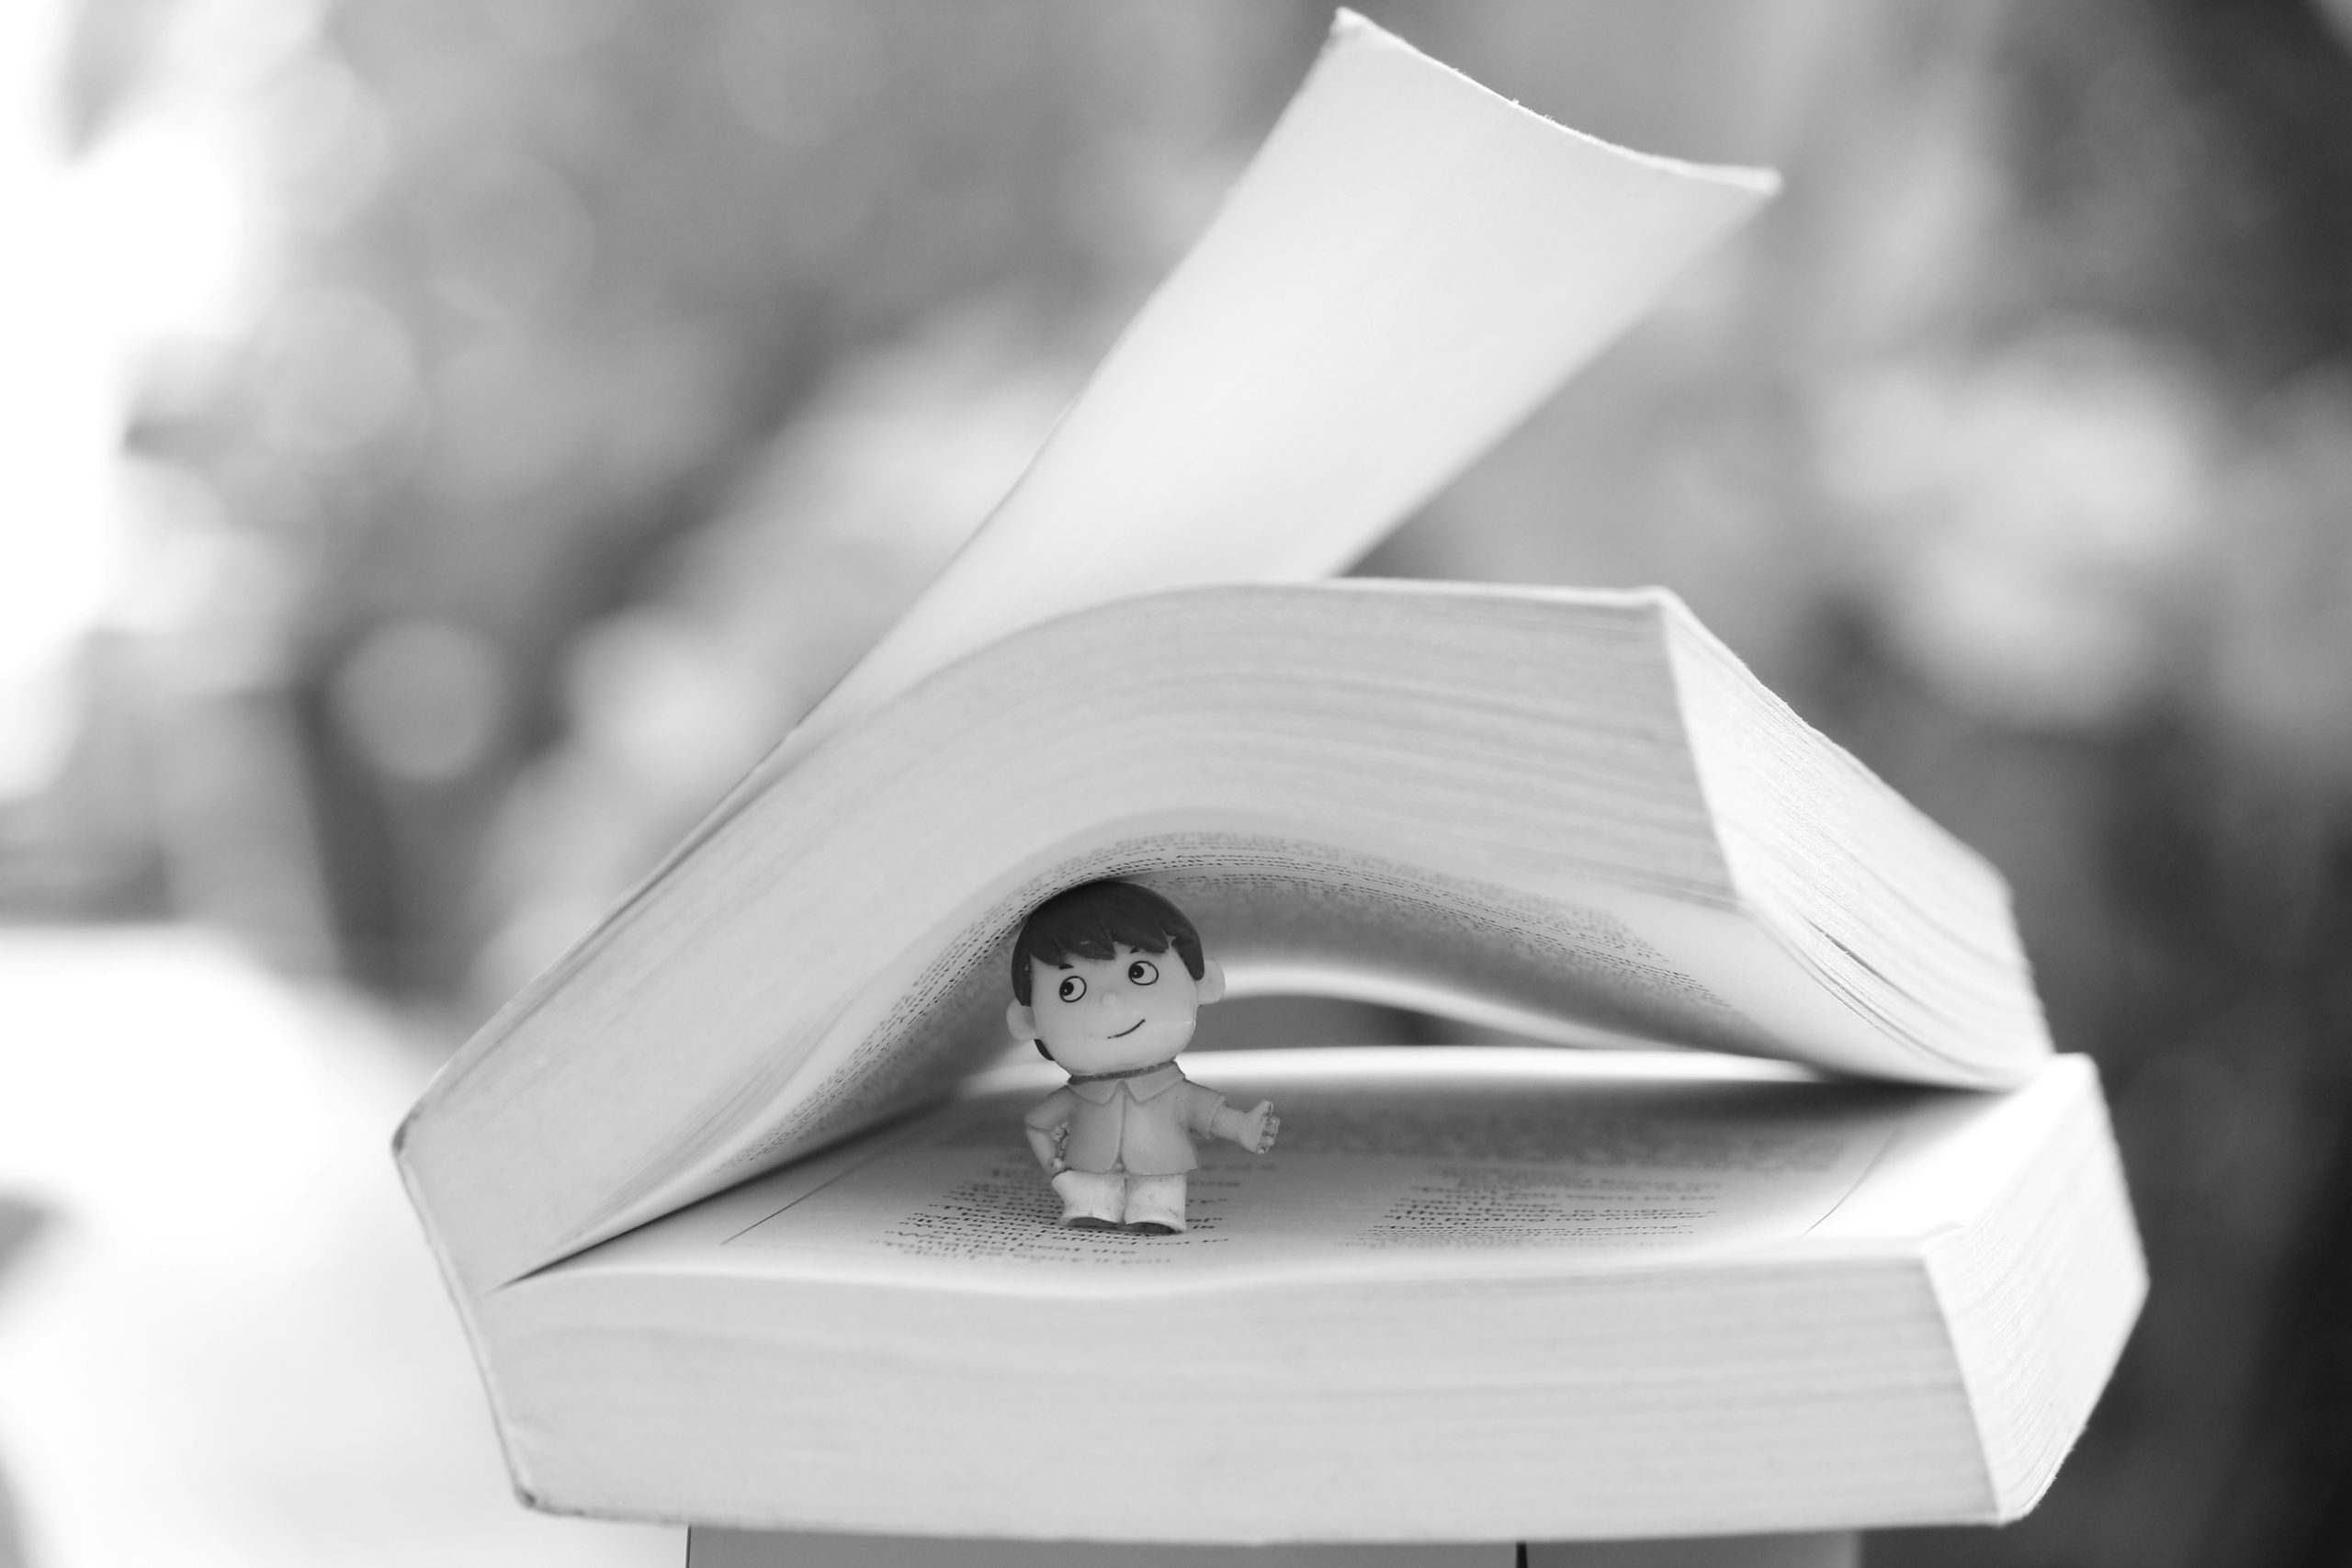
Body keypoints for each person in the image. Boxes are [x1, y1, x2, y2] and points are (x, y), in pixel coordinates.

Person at [1008, 880, 1278, 1234]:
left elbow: (1205, 1112)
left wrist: (1242, 1127)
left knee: (1159, 1198)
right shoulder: (1077, 1095)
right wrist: (1056, 1169)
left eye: (1139, 972)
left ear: (1203, 983)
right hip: (1088, 1171)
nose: (1109, 1000)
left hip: (1161, 1168)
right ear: (1028, 1021)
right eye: (1069, 989)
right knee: (1090, 1197)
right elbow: (1038, 1123)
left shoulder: (1172, 1090)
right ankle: (1091, 1209)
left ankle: (1157, 1215)